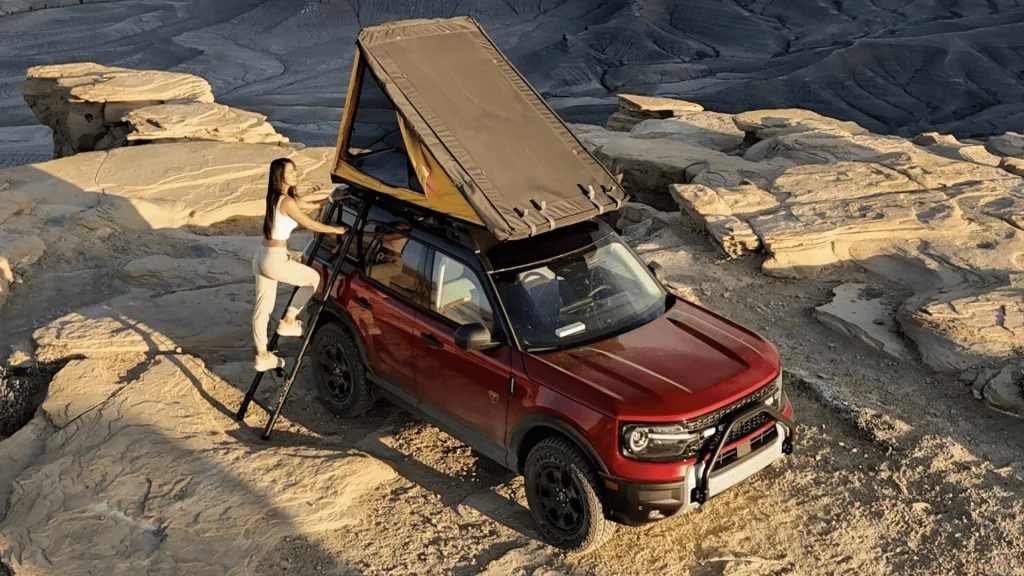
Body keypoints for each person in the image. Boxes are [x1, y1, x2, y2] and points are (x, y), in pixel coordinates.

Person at [252, 158, 349, 371]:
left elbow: (306, 205)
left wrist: (329, 199)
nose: (295, 174)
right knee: (313, 279)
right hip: (275, 258)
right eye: (291, 172)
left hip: (261, 255)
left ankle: (262, 354)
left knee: (263, 308)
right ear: (280, 176)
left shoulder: (276, 197)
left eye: (295, 170)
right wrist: (337, 230)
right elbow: (309, 223)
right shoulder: (287, 201)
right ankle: (289, 321)